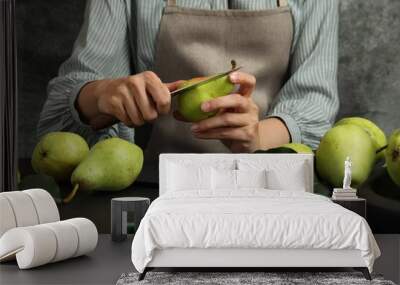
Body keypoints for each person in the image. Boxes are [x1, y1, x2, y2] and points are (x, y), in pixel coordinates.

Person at [38, 0, 339, 182]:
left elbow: (313, 102)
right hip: (149, 192)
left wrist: (257, 137)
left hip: (263, 186)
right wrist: (103, 94)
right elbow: (64, 108)